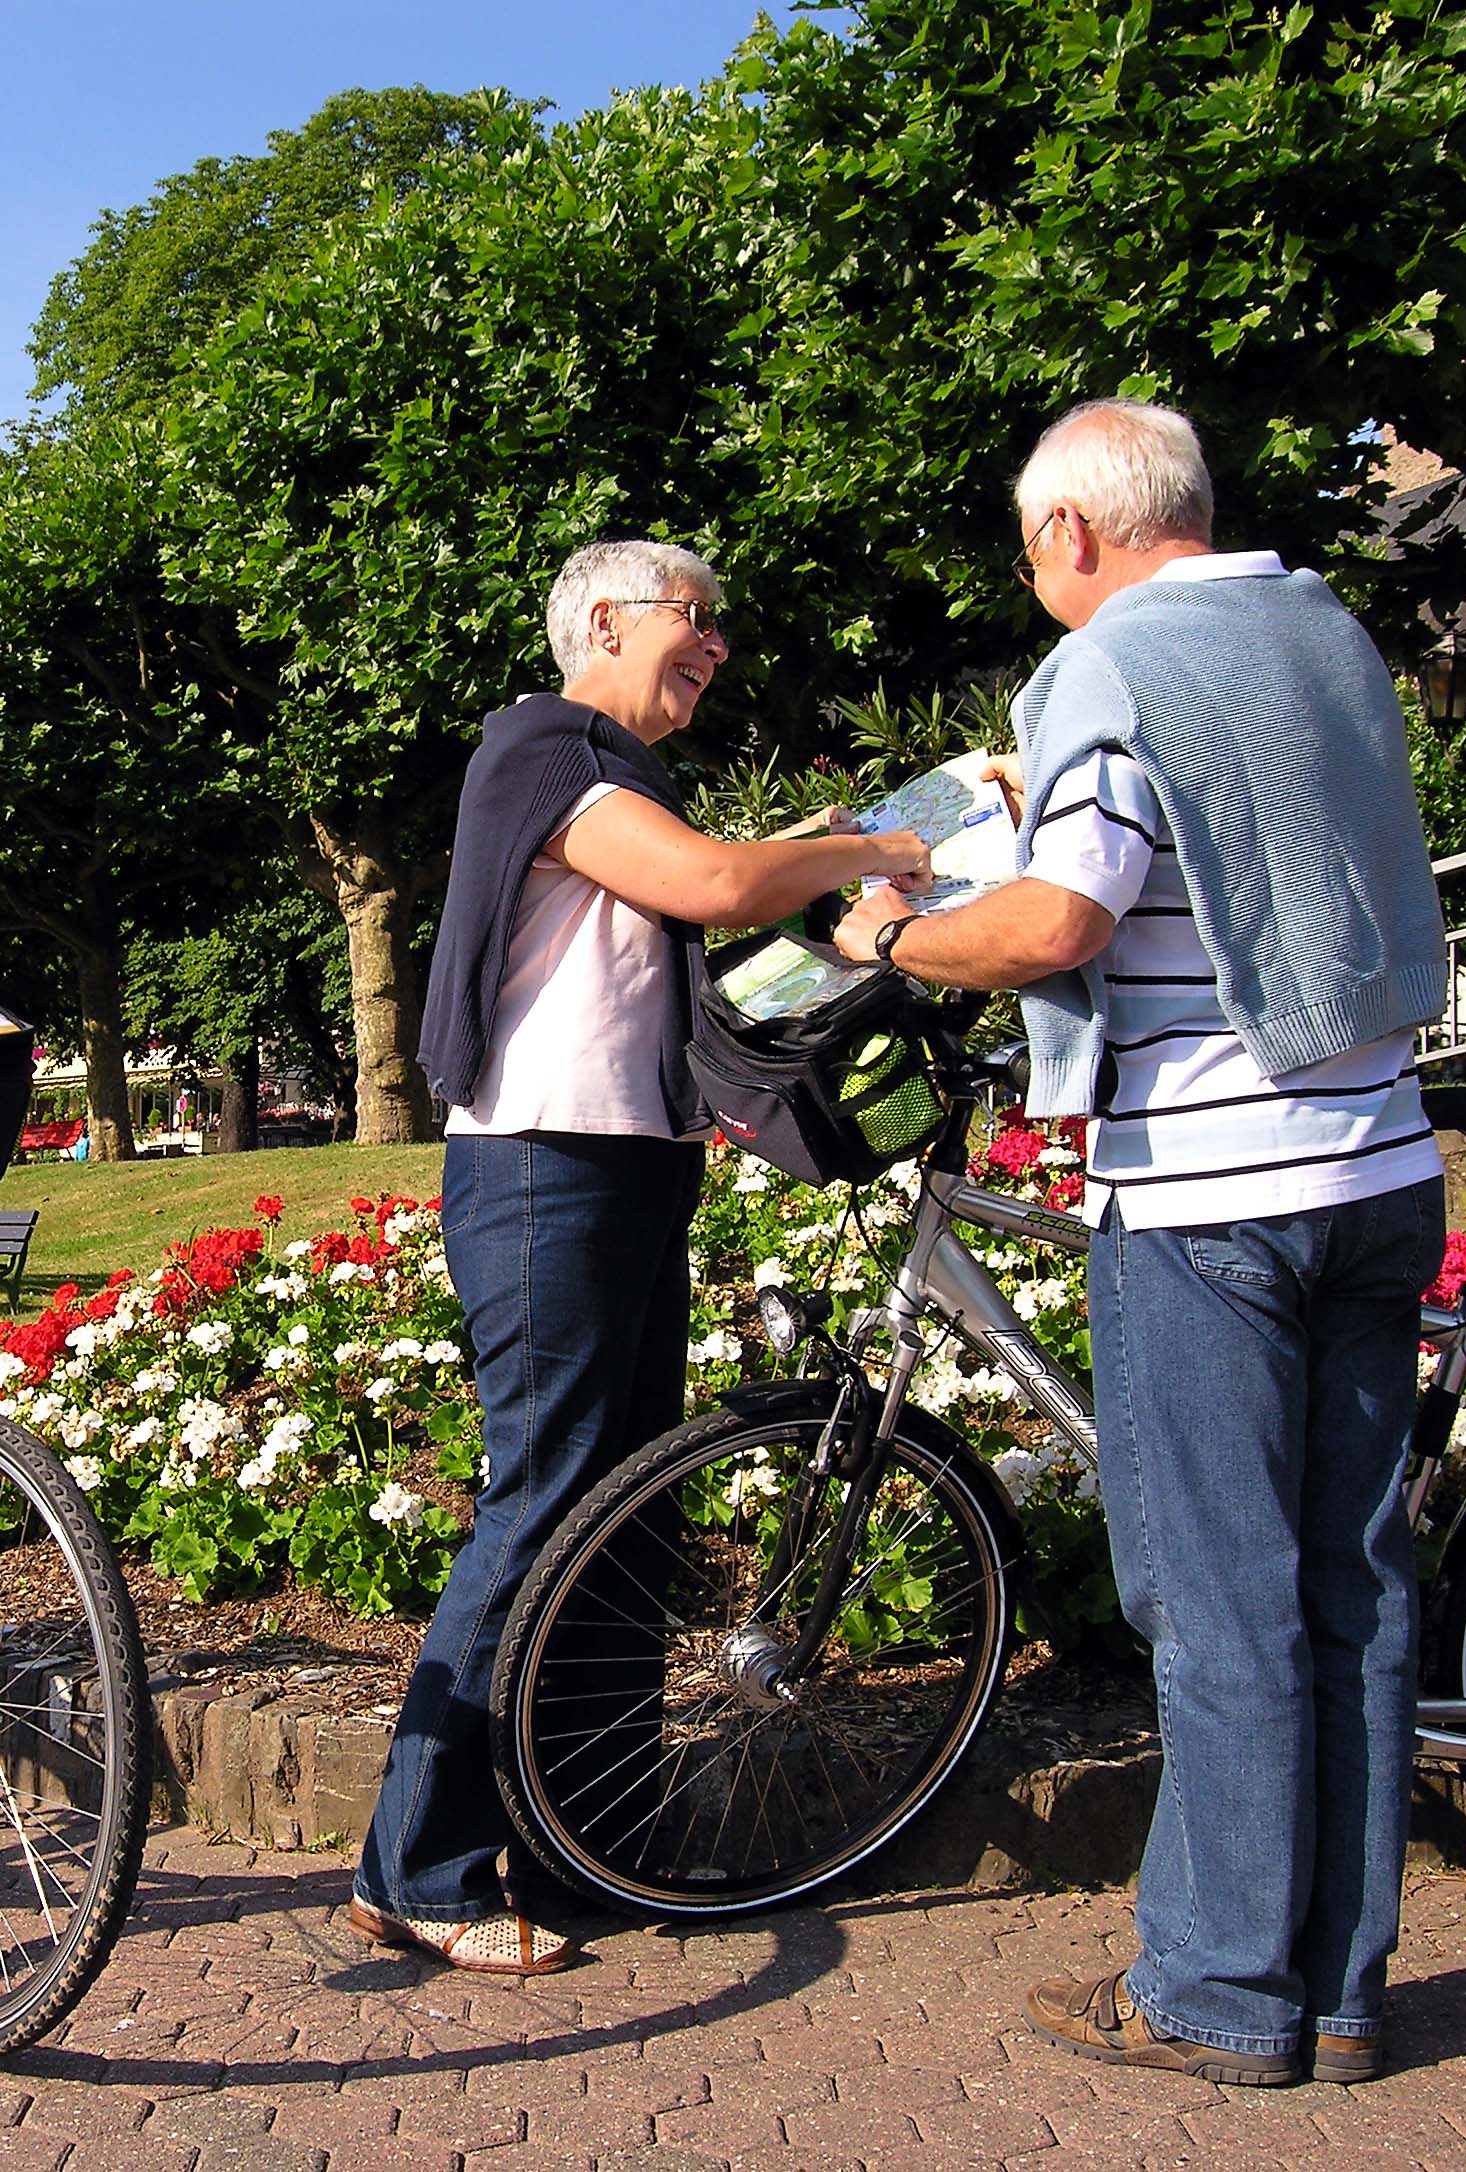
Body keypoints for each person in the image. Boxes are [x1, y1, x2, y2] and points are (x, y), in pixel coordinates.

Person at [834, 400, 1448, 2084]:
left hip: (1209, 1197)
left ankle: (1217, 1994)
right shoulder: (1321, 630)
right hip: (1377, 1165)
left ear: (1073, 536)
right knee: (1354, 1585)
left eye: (1031, 546)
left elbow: (1059, 920)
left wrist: (902, 933)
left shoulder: (1111, 660)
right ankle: (1337, 1989)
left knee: (1221, 1595)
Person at [351, 538, 931, 1974]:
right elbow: (717, 886)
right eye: (699, 622)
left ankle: (592, 1841)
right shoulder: (544, 752)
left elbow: (716, 882)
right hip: (546, 1176)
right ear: (603, 620)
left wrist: (832, 844)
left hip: (617, 1172)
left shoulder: (616, 772)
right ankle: (414, 1867)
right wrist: (873, 847)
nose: (717, 649)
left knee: (621, 1519)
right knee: (545, 1508)